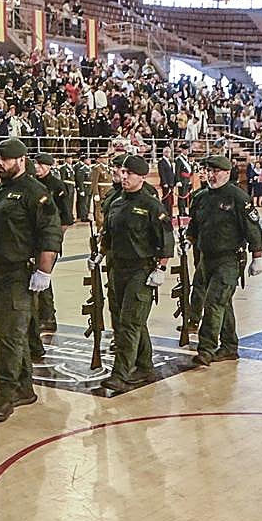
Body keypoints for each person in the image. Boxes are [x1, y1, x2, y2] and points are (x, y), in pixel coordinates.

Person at [0, 137, 62, 420]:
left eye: (5, 159)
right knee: (9, 331)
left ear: (21, 160)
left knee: (8, 337)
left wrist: (43, 272)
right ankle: (24, 387)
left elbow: (50, 235)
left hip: (18, 274)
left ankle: (6, 392)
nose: (0, 164)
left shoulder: (36, 193)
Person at [100, 154, 175, 394]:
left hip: (141, 270)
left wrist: (161, 268)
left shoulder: (151, 205)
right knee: (126, 320)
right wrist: (100, 255)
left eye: (129, 173)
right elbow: (108, 236)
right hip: (117, 268)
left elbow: (165, 240)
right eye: (122, 172)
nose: (123, 177)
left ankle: (120, 374)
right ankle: (145, 365)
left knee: (130, 323)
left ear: (142, 177)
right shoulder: (116, 202)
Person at [186, 155, 262, 367]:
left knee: (214, 303)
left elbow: (252, 228)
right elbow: (195, 224)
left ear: (227, 173)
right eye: (208, 171)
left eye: (216, 171)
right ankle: (229, 346)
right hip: (206, 259)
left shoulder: (238, 197)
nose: (211, 175)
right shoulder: (201, 197)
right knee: (223, 303)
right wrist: (188, 240)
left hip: (229, 259)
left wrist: (257, 256)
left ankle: (206, 349)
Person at [31, 153, 74, 341]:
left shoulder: (57, 186)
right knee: (34, 279)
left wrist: (55, 239)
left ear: (49, 166)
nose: (38, 168)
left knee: (43, 278)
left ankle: (48, 317)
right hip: (32, 240)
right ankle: (39, 315)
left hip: (48, 242)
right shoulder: (33, 184)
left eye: (41, 165)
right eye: (36, 164)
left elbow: (66, 218)